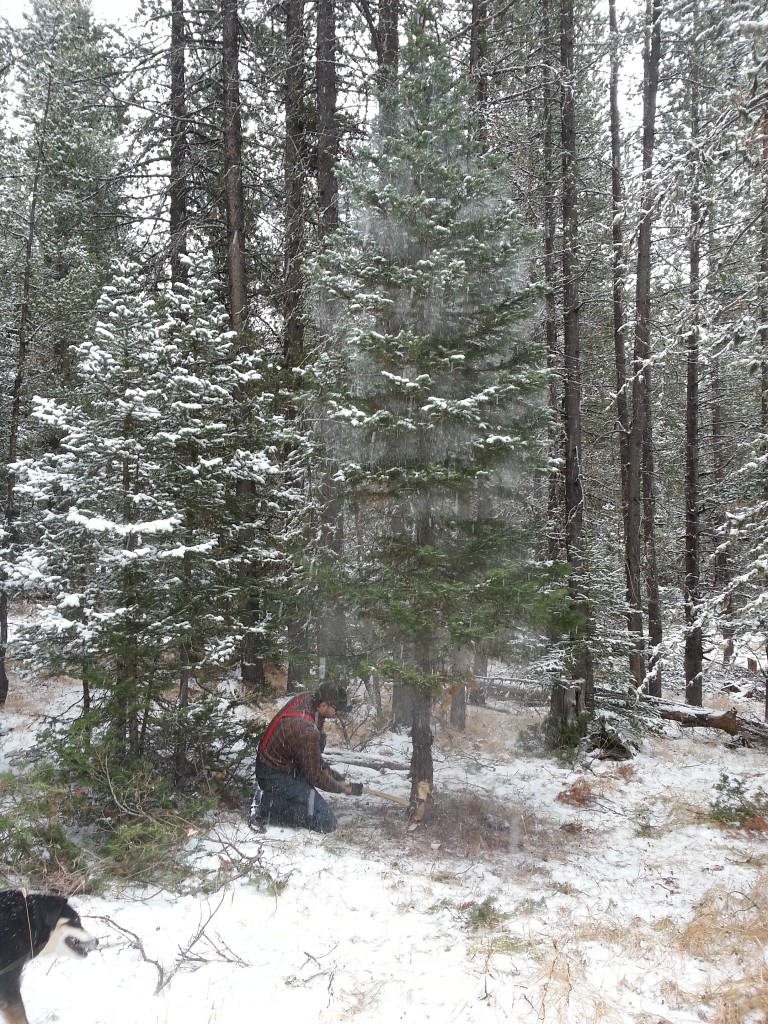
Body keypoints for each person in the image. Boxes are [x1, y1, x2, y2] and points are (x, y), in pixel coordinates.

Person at [250, 681, 363, 833]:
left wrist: (338, 778)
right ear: (323, 705)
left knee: (320, 739)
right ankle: (265, 804)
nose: (337, 713)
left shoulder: (308, 700)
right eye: (335, 708)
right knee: (326, 821)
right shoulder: (306, 730)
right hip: (273, 773)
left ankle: (276, 795)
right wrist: (341, 789)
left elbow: (313, 759)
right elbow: (315, 775)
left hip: (283, 762)